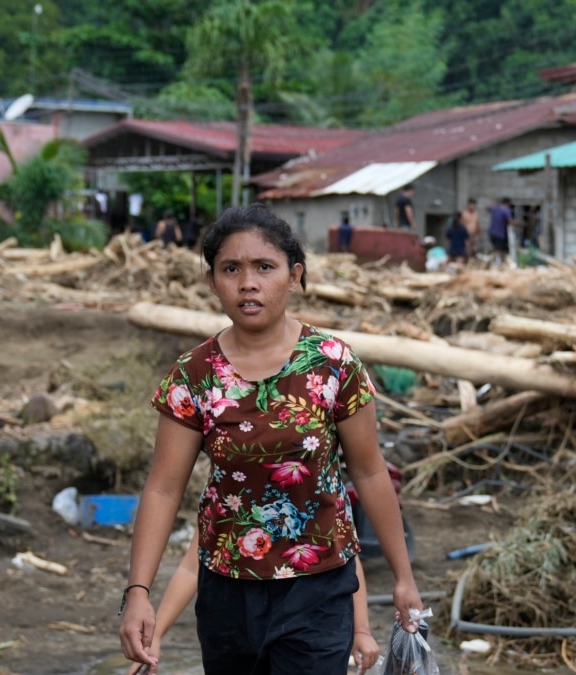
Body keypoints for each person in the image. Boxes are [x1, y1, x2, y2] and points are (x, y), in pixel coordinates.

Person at [118, 204, 422, 674]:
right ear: (211, 281)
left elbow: (369, 471)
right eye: (230, 269)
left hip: (319, 586)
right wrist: (138, 593)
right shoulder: (193, 376)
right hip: (226, 592)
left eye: (264, 267)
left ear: (294, 275)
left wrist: (403, 578)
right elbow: (162, 488)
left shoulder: (332, 364)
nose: (248, 283)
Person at [125, 529, 380, 675]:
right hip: (236, 617)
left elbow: (346, 556)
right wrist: (155, 636)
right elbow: (191, 569)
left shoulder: (317, 491)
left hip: (310, 610)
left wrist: (362, 629)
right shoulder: (229, 499)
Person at [487, 197, 514, 266]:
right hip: (499, 233)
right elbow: (510, 221)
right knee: (498, 249)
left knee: (495, 248)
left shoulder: (496, 208)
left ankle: (494, 261)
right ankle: (497, 263)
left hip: (491, 232)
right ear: (508, 204)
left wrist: (494, 202)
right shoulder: (506, 210)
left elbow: (488, 207)